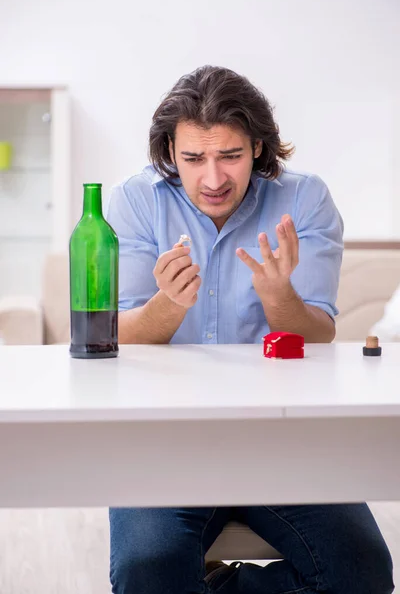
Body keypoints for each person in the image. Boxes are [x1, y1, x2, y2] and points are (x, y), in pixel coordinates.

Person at [106, 66, 394, 594]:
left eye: (230, 157)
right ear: (171, 150)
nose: (213, 179)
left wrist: (279, 297)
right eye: (193, 158)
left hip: (284, 438)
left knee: (364, 573)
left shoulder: (305, 200)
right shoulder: (135, 201)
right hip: (163, 439)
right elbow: (119, 335)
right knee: (148, 573)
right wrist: (169, 306)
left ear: (259, 148)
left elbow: (318, 333)